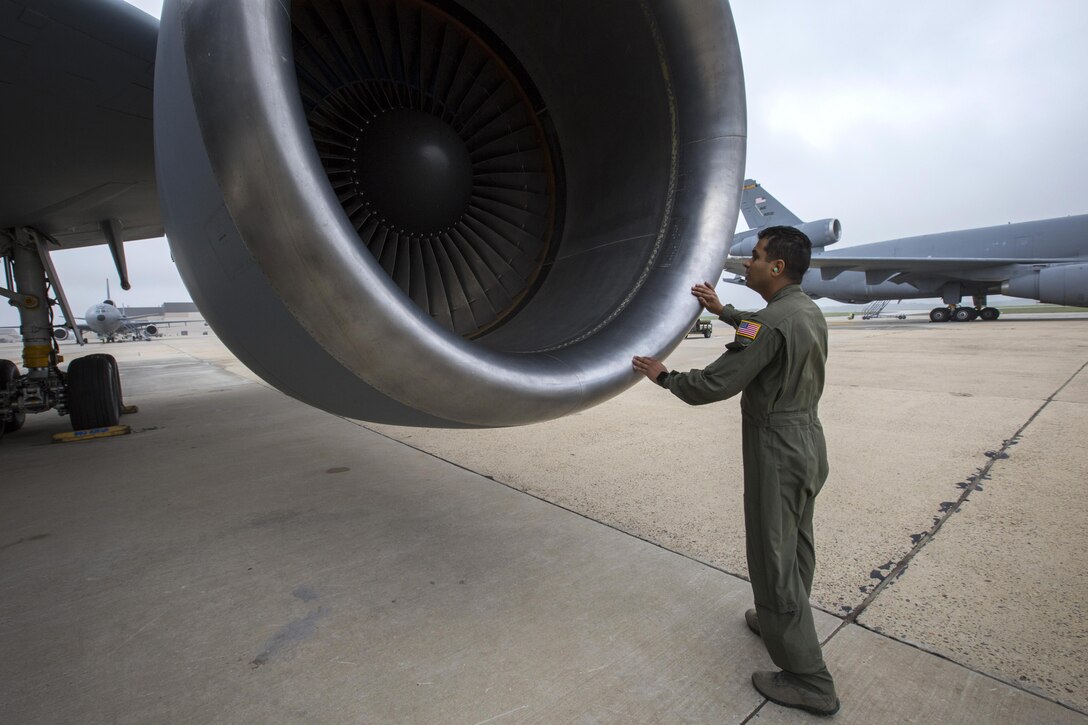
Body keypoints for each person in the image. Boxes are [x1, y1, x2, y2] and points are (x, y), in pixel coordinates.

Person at [632, 225, 839, 717]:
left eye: (756, 256)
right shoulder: (805, 310)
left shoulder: (769, 324)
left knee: (772, 556)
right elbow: (762, 328)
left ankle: (809, 679)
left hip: (777, 448)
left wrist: (665, 376)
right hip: (808, 440)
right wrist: (723, 311)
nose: (746, 262)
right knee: (795, 542)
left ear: (777, 267)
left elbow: (713, 384)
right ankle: (779, 620)